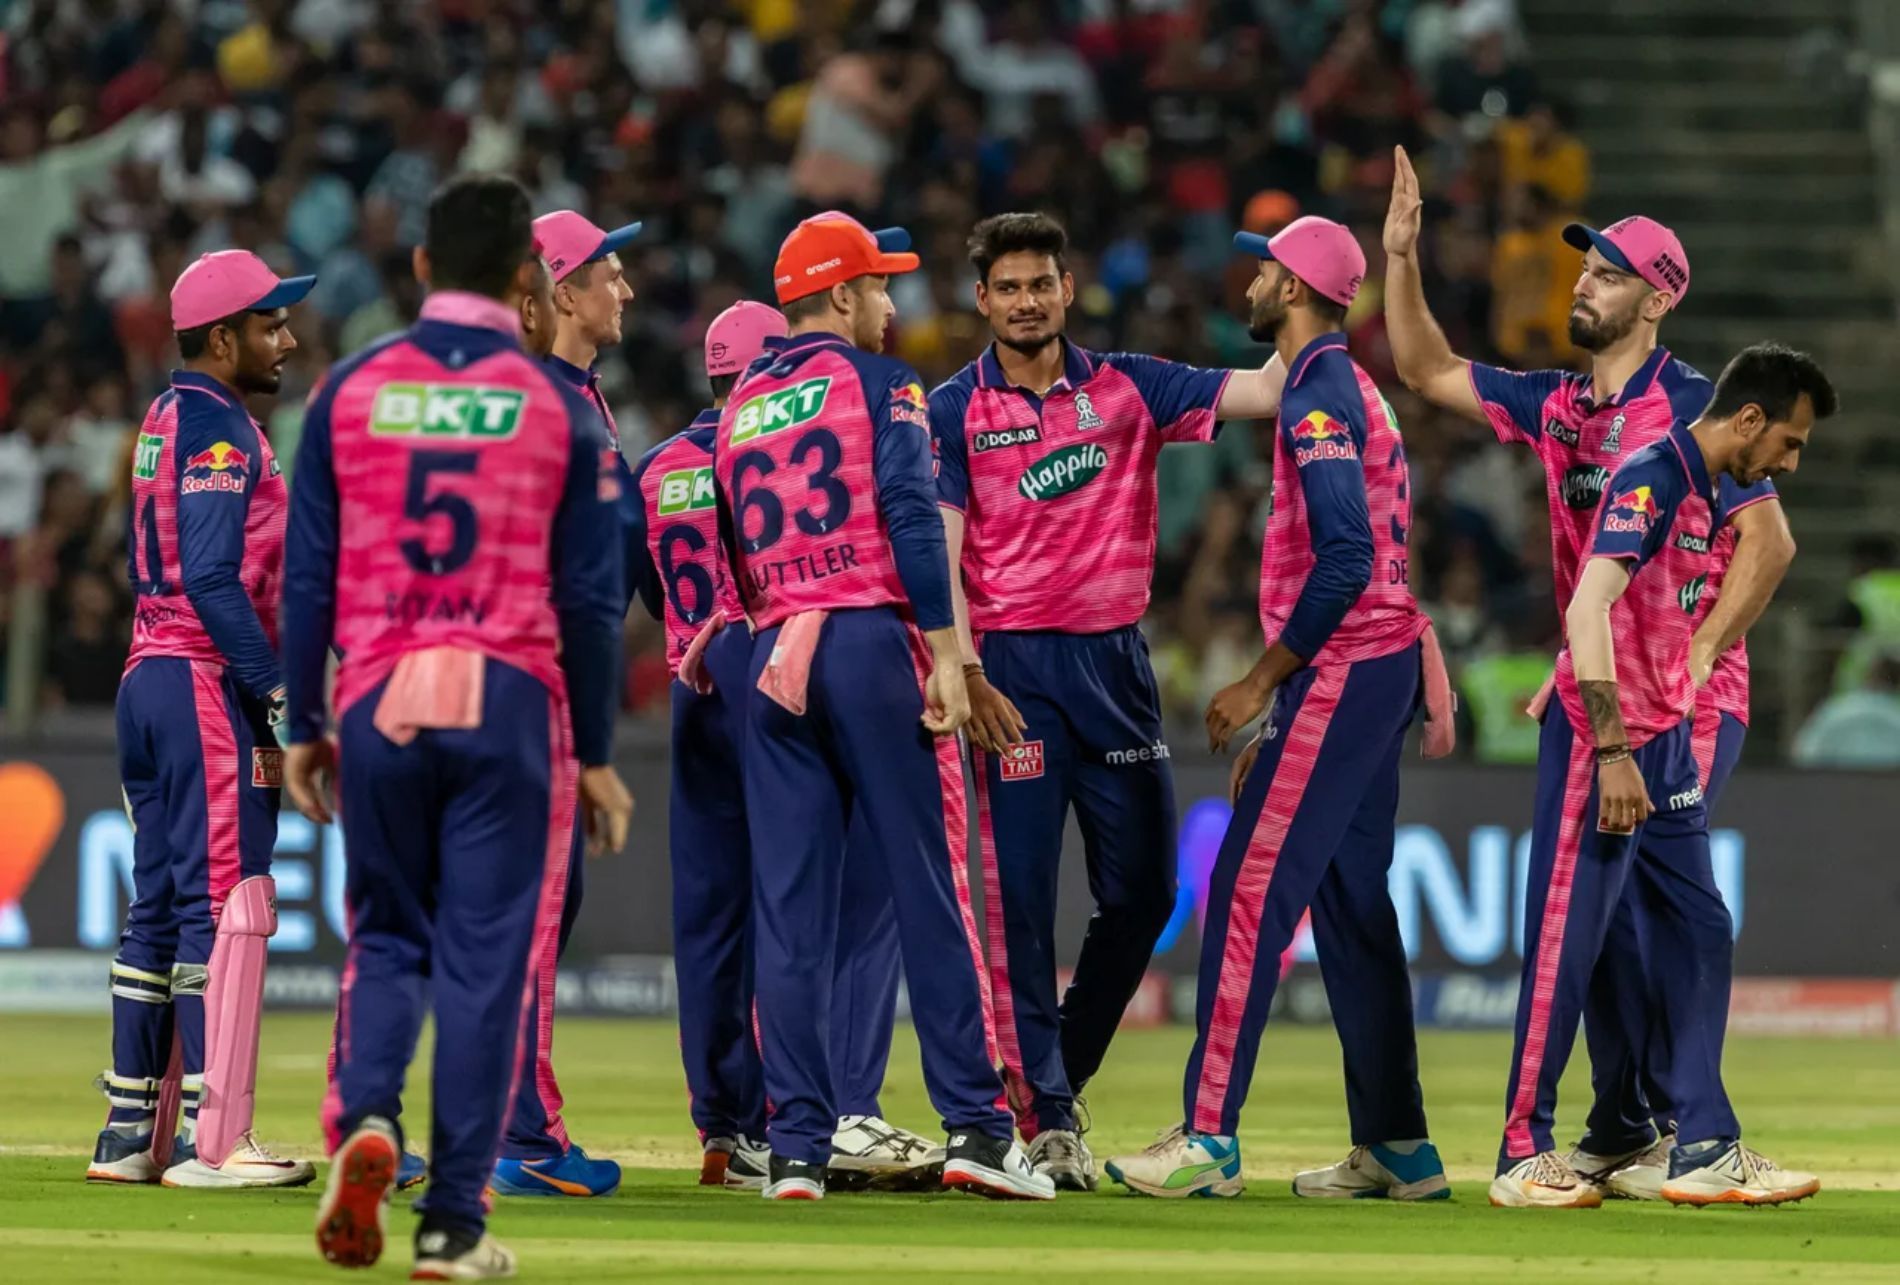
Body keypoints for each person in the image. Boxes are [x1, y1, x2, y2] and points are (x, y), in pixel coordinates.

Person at [1381, 144, 1799, 1198]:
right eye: (1584, 268)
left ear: (1654, 298)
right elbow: (1425, 368)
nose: (1582, 282)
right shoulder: (1559, 404)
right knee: (1633, 913)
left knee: (1652, 913)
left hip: (1688, 699)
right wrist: (1399, 257)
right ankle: (1632, 1124)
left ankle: (1642, 1124)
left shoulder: (1697, 407)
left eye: (1607, 272)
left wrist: (1706, 647)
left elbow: (1768, 541)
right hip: (1612, 687)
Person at [289, 174, 633, 1278]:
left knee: (388, 934)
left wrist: (303, 717)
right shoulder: (555, 408)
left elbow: (305, 576)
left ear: (424, 267)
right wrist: (597, 751)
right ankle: (455, 1227)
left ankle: (369, 1124)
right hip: (510, 703)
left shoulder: (350, 389)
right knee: (486, 963)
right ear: (527, 281)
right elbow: (589, 600)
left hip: (380, 694)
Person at [927, 211, 1288, 1189]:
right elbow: (941, 548)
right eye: (1006, 287)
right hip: (1012, 673)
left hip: (1116, 669)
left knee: (1144, 895)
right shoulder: (955, 408)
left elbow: (1265, 388)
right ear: (982, 301)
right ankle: (1043, 1115)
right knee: (1021, 904)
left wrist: (1315, 311)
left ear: (1066, 288)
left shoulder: (1129, 385)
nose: (1025, 300)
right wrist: (962, 670)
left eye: (1040, 282)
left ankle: (1055, 1089)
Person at [1106, 217, 1449, 1201]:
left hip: (1341, 670)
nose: (1250, 277)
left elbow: (1344, 555)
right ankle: (1397, 1146)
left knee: (1248, 894)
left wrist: (1264, 684)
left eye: (1265, 265)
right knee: (1349, 906)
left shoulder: (1317, 396)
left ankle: (1207, 1137)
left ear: (1294, 289)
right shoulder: (1341, 389)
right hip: (1364, 670)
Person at [712, 211, 1052, 1202]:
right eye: (879, 284)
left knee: (788, 912)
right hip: (868, 642)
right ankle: (981, 1133)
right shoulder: (884, 383)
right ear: (843, 295)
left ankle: (798, 1148)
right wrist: (948, 656)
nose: (892, 303)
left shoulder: (739, 408)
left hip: (777, 653)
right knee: (927, 886)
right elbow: (908, 512)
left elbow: (736, 551)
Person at [1487, 343, 1833, 1209]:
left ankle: (1705, 1143)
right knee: (1568, 944)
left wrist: (1670, 704)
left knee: (1700, 923)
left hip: (1667, 735)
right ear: (1747, 420)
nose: (1787, 463)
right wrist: (1609, 750)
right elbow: (1585, 604)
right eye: (1788, 443)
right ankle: (1521, 1150)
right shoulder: (1654, 475)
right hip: (1608, 742)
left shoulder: (1707, 488)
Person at [626, 300, 932, 1190]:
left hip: (694, 685)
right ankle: (842, 1108)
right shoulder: (792, 425)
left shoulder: (656, 468)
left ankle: (728, 1124)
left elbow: (651, 592)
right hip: (779, 659)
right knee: (848, 899)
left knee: (715, 914)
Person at [90, 250, 317, 1191]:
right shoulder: (223, 432)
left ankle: (129, 1131)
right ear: (222, 338)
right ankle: (213, 1139)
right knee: (230, 903)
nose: (288, 340)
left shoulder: (165, 414)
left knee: (159, 906)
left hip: (148, 674)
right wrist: (274, 689)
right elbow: (215, 577)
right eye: (270, 325)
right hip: (201, 680)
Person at [456, 208, 643, 1201]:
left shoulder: (574, 398)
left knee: (512, 916)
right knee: (528, 914)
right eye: (610, 273)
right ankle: (523, 1134)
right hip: (532, 688)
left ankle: (449, 1125)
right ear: (559, 290)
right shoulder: (542, 401)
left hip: (522, 684)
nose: (627, 290)